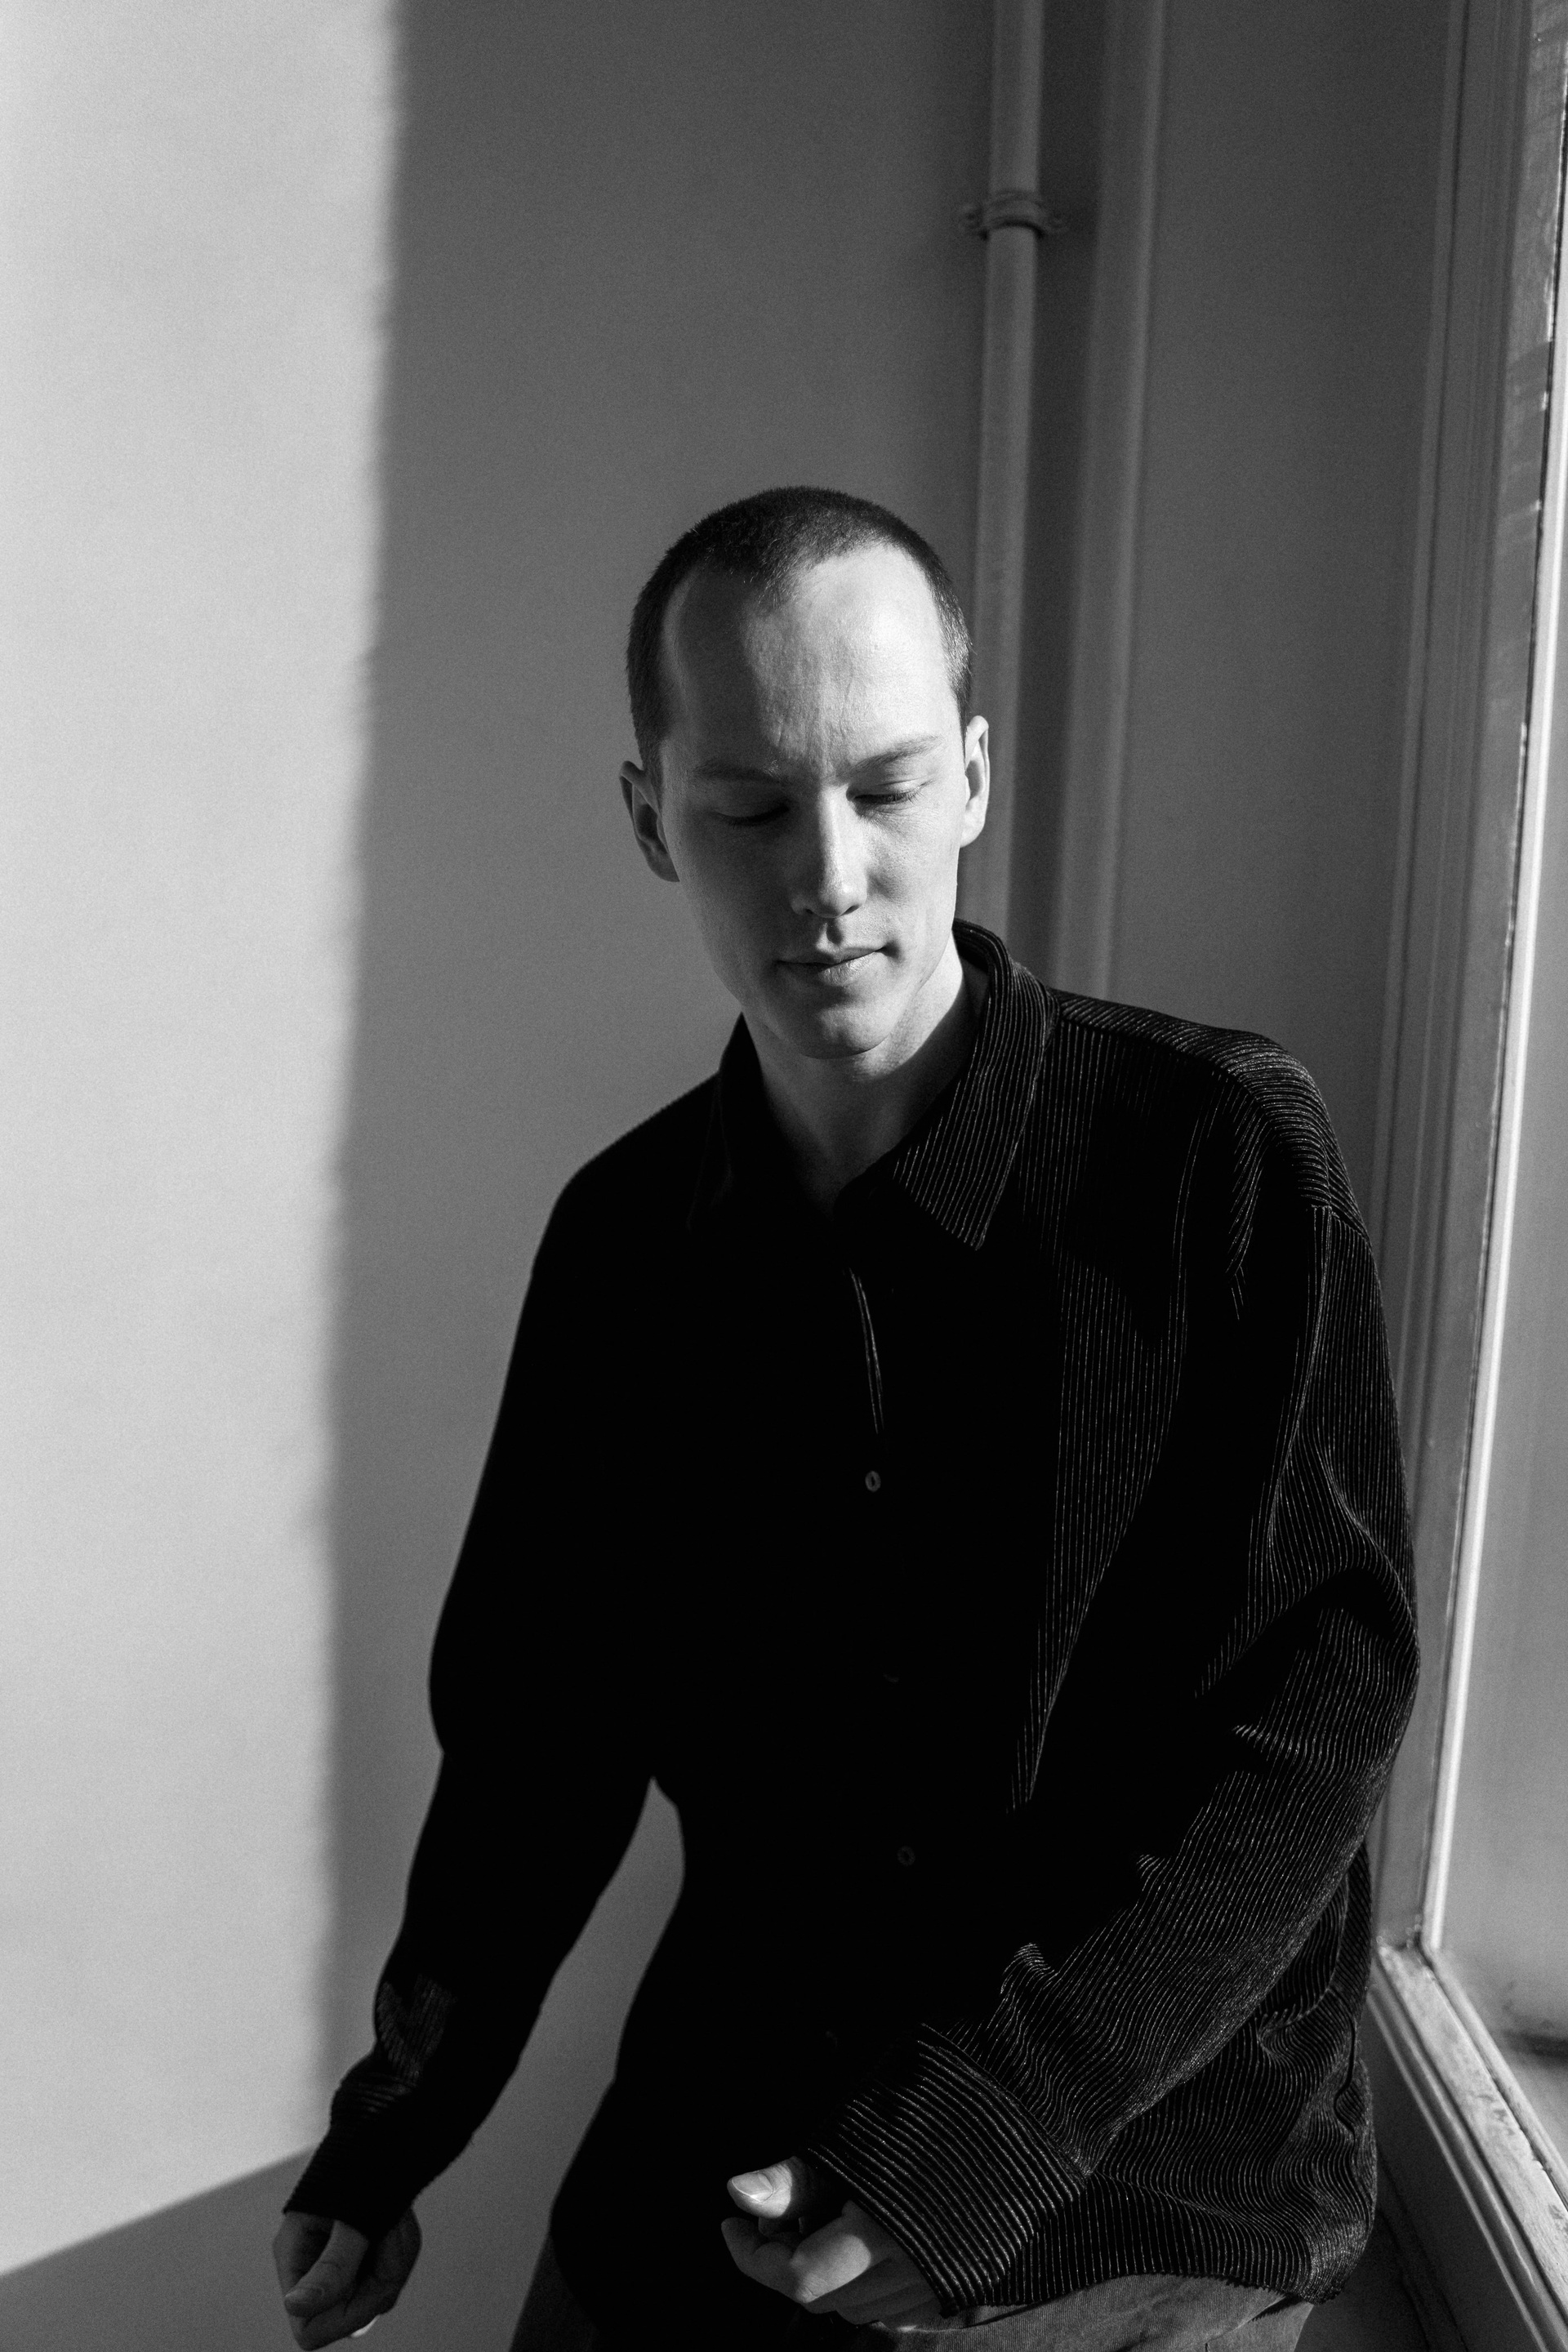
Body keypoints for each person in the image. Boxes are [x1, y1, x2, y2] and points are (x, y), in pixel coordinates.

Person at [272, 487, 1419, 2350]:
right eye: (747, 809)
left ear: (973, 778)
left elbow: (1313, 1727)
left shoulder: (1217, 1159)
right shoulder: (624, 1240)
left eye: (885, 789)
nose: (827, 876)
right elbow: (535, 1741)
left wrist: (966, 2149)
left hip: (1131, 2206)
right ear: (650, 819)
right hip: (724, 2144)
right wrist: (397, 2125)